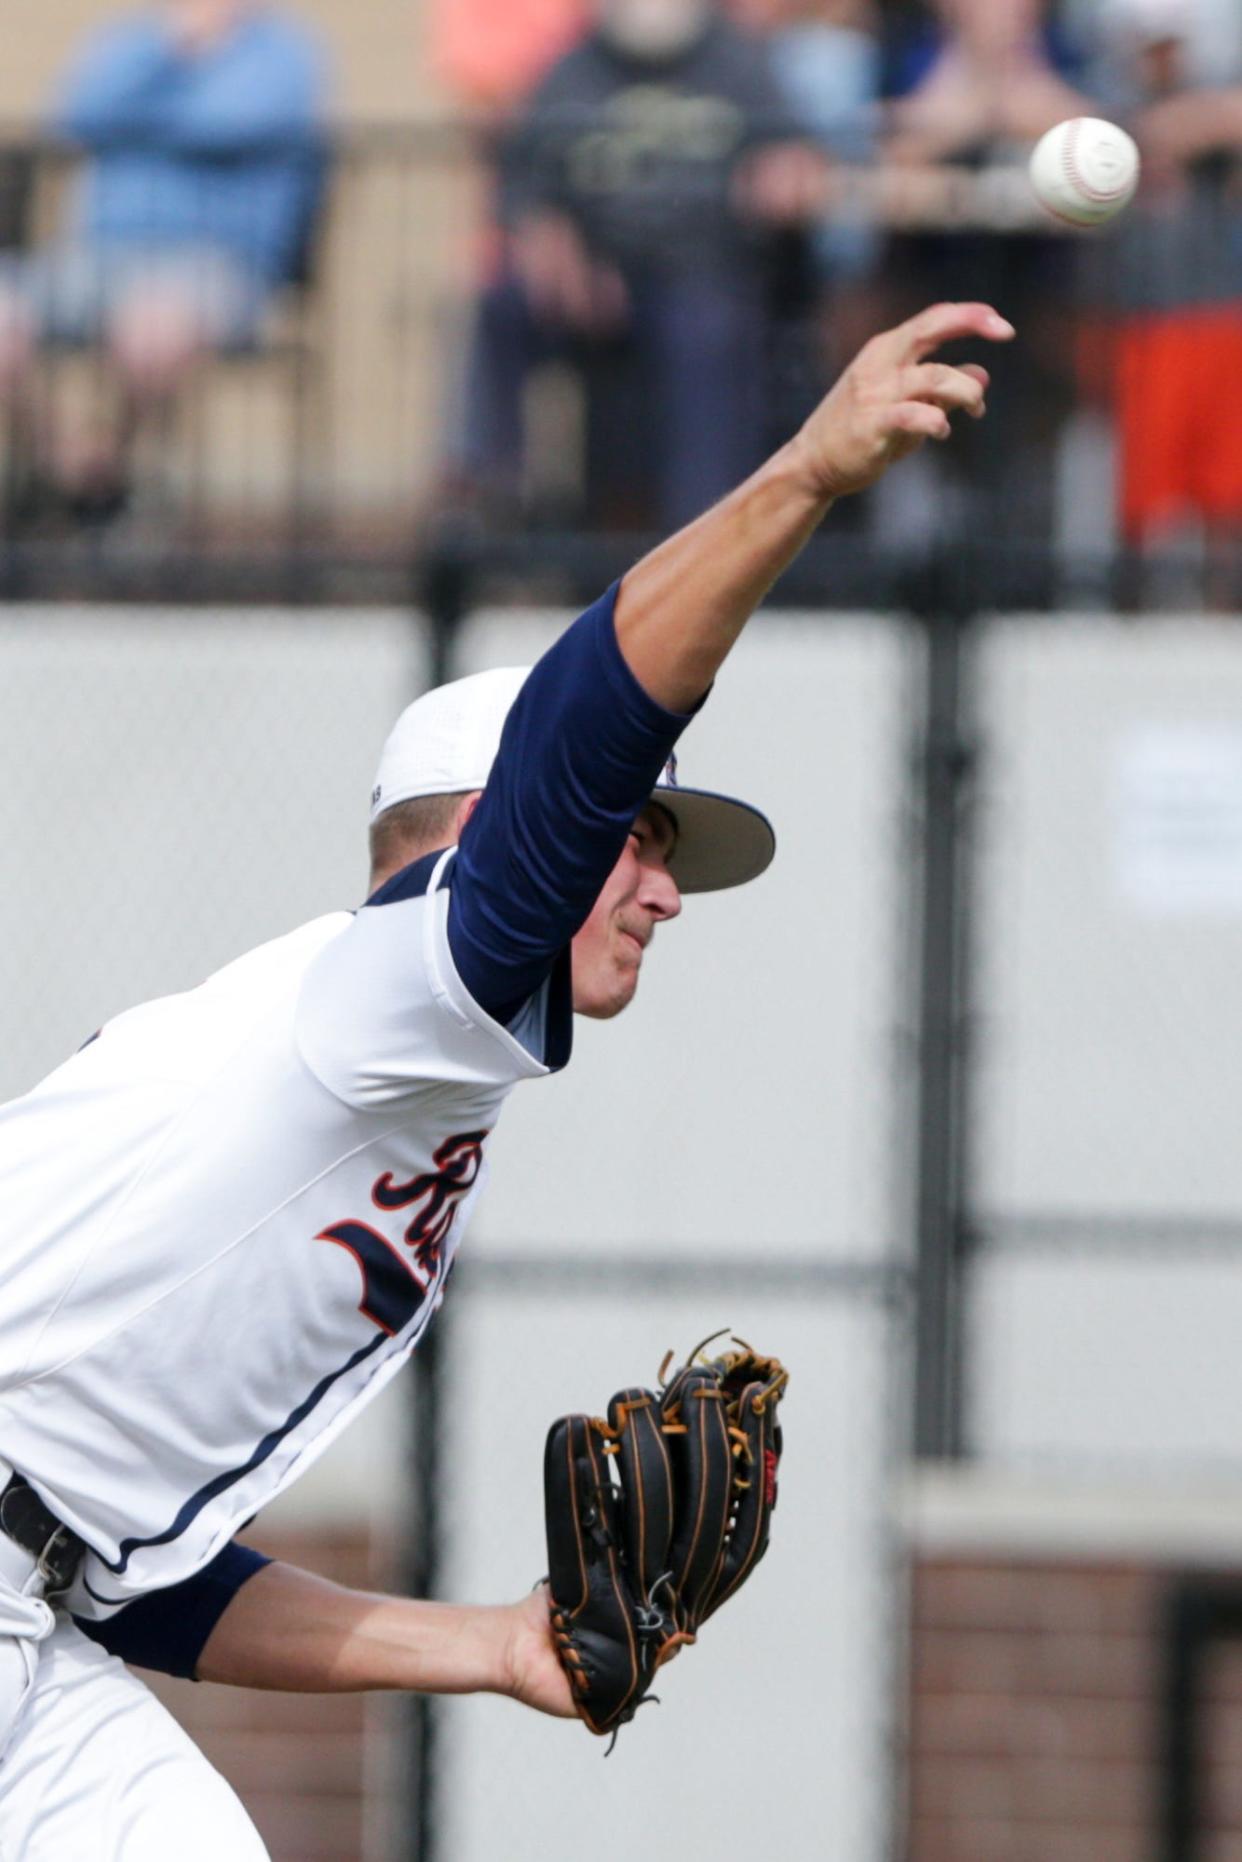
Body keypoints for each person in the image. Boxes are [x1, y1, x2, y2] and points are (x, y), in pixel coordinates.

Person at [0, 296, 1012, 1855]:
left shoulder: (395, 1079)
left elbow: (137, 1571)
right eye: (640, 836)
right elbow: (578, 740)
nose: (664, 891)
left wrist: (487, 1643)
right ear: (488, 838)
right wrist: (803, 474)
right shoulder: (384, 994)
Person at [454, 0, 833, 532]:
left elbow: (794, 160)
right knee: (502, 306)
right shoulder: (572, 70)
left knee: (708, 330)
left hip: (706, 272)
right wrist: (547, 238)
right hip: (595, 277)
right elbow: (523, 183)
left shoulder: (741, 65)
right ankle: (485, 493)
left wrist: (786, 180)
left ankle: (704, 531)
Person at [0, 0, 328, 525]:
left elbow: (231, 123)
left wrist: (143, 116)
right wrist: (168, 50)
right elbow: (81, 115)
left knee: (152, 324)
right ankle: (68, 464)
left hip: (219, 267)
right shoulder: (132, 41)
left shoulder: (283, 52)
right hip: (98, 258)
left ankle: (122, 469)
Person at [1083, 0, 1242, 575]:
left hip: (1217, 315)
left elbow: (1223, 117)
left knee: (1225, 494)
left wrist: (1182, 127)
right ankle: (1143, 621)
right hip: (1143, 322)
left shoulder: (1210, 105)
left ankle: (1221, 618)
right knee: (1149, 498)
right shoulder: (1112, 111)